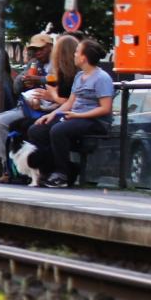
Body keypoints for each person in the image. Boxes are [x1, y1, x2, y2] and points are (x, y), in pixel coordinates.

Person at [0, 33, 76, 183]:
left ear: (51, 47)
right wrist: (23, 80)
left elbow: (62, 93)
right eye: (33, 49)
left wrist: (41, 80)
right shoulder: (33, 63)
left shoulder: (58, 67)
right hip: (27, 106)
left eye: (40, 49)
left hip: (45, 110)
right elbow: (16, 88)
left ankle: (11, 170)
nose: (37, 52)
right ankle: (14, 161)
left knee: (4, 123)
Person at [25, 39, 114, 188]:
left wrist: (78, 116)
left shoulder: (102, 78)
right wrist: (52, 114)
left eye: (77, 52)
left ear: (84, 57)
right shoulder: (79, 77)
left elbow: (105, 108)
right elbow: (70, 102)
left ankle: (62, 174)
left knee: (58, 130)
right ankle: (49, 170)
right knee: (37, 130)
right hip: (75, 116)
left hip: (95, 121)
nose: (74, 55)